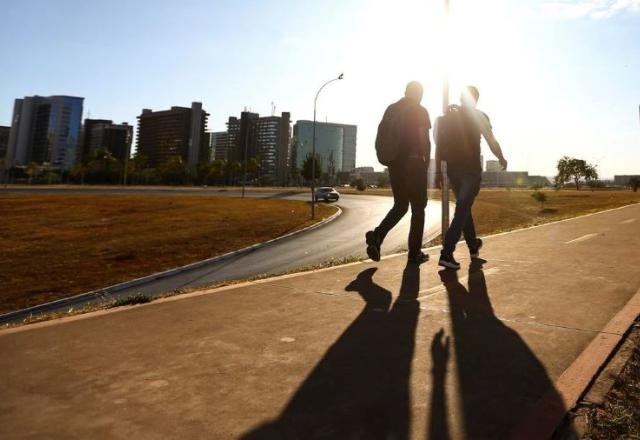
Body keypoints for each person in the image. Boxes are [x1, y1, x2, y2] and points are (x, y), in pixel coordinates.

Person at [436, 85, 507, 270]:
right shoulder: (479, 116)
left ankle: (473, 246)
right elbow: (491, 140)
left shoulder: (450, 116)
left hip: (453, 170)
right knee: (462, 210)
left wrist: (437, 170)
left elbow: (438, 142)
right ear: (475, 99)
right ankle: (446, 252)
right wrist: (501, 157)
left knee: (464, 208)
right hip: (470, 170)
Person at [365, 81, 431, 265]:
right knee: (419, 208)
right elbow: (424, 139)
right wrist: (426, 166)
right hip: (414, 164)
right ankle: (414, 253)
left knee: (401, 205)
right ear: (419, 94)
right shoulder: (420, 110)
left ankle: (377, 236)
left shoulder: (391, 109)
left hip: (395, 165)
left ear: (405, 92)